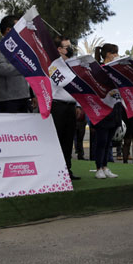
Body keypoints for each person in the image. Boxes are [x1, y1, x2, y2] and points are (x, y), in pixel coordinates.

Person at [51, 36, 80, 181]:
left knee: (69, 139)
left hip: (71, 106)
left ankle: (67, 169)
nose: (70, 49)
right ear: (60, 49)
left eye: (71, 46)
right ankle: (55, 170)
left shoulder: (75, 65)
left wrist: (79, 104)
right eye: (67, 46)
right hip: (58, 106)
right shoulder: (54, 66)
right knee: (58, 138)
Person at [0, 15, 31, 113]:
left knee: (24, 128)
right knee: (9, 128)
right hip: (7, 99)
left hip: (24, 96)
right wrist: (23, 67)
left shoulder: (22, 46)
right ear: (8, 30)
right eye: (19, 27)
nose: (22, 30)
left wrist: (32, 95)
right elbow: (0, 68)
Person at [92, 43, 122, 179]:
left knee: (109, 141)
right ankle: (98, 168)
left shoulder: (117, 69)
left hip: (115, 108)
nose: (116, 55)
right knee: (101, 141)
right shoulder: (100, 69)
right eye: (114, 53)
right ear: (108, 54)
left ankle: (105, 167)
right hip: (102, 109)